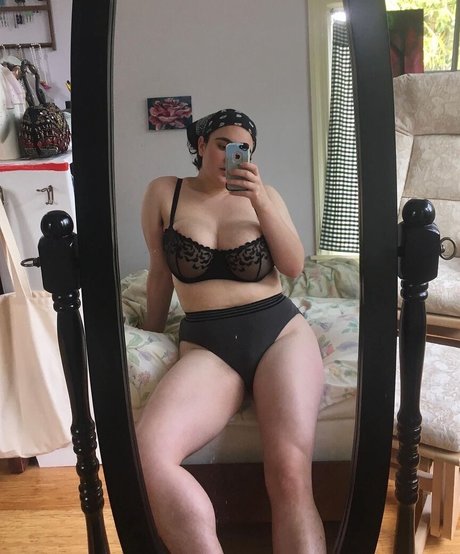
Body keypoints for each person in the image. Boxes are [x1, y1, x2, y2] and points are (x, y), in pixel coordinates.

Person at [136, 108, 326, 554]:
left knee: (290, 471)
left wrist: (260, 201)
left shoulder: (265, 195)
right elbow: (160, 274)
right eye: (223, 144)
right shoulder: (165, 192)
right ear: (201, 145)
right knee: (147, 453)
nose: (231, 155)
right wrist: (150, 332)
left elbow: (293, 266)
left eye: (243, 149)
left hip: (279, 334)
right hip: (208, 345)